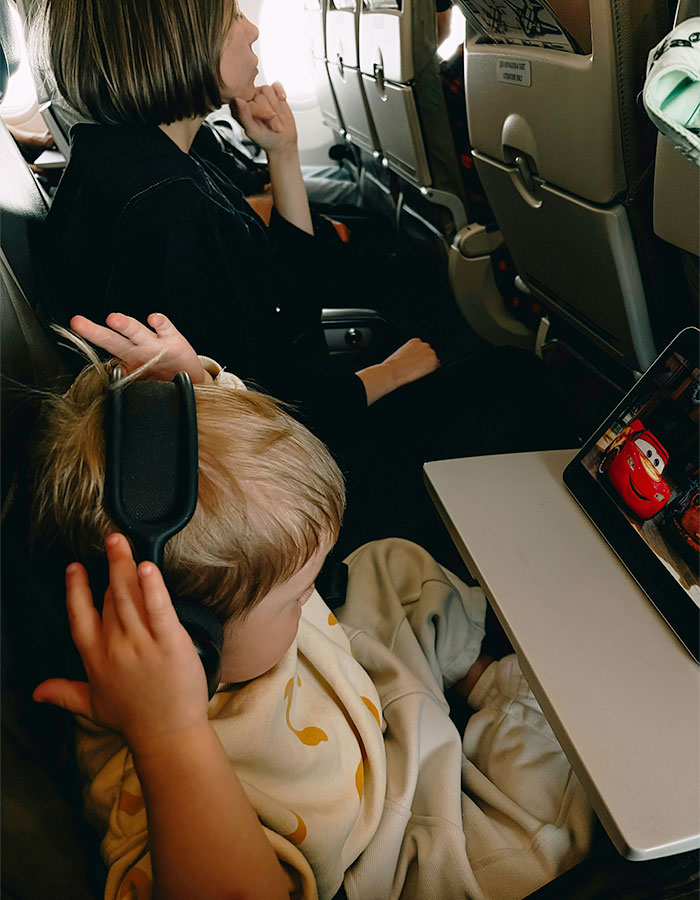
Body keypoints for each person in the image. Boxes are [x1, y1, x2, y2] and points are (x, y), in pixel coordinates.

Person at [29, 321, 593, 900]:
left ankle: (473, 679)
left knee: (388, 564)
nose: (311, 593)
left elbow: (236, 487)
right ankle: (503, 698)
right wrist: (172, 738)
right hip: (391, 849)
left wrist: (199, 385)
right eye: (296, 596)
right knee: (545, 842)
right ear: (193, 639)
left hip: (353, 708)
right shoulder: (164, 789)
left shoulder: (227, 617)